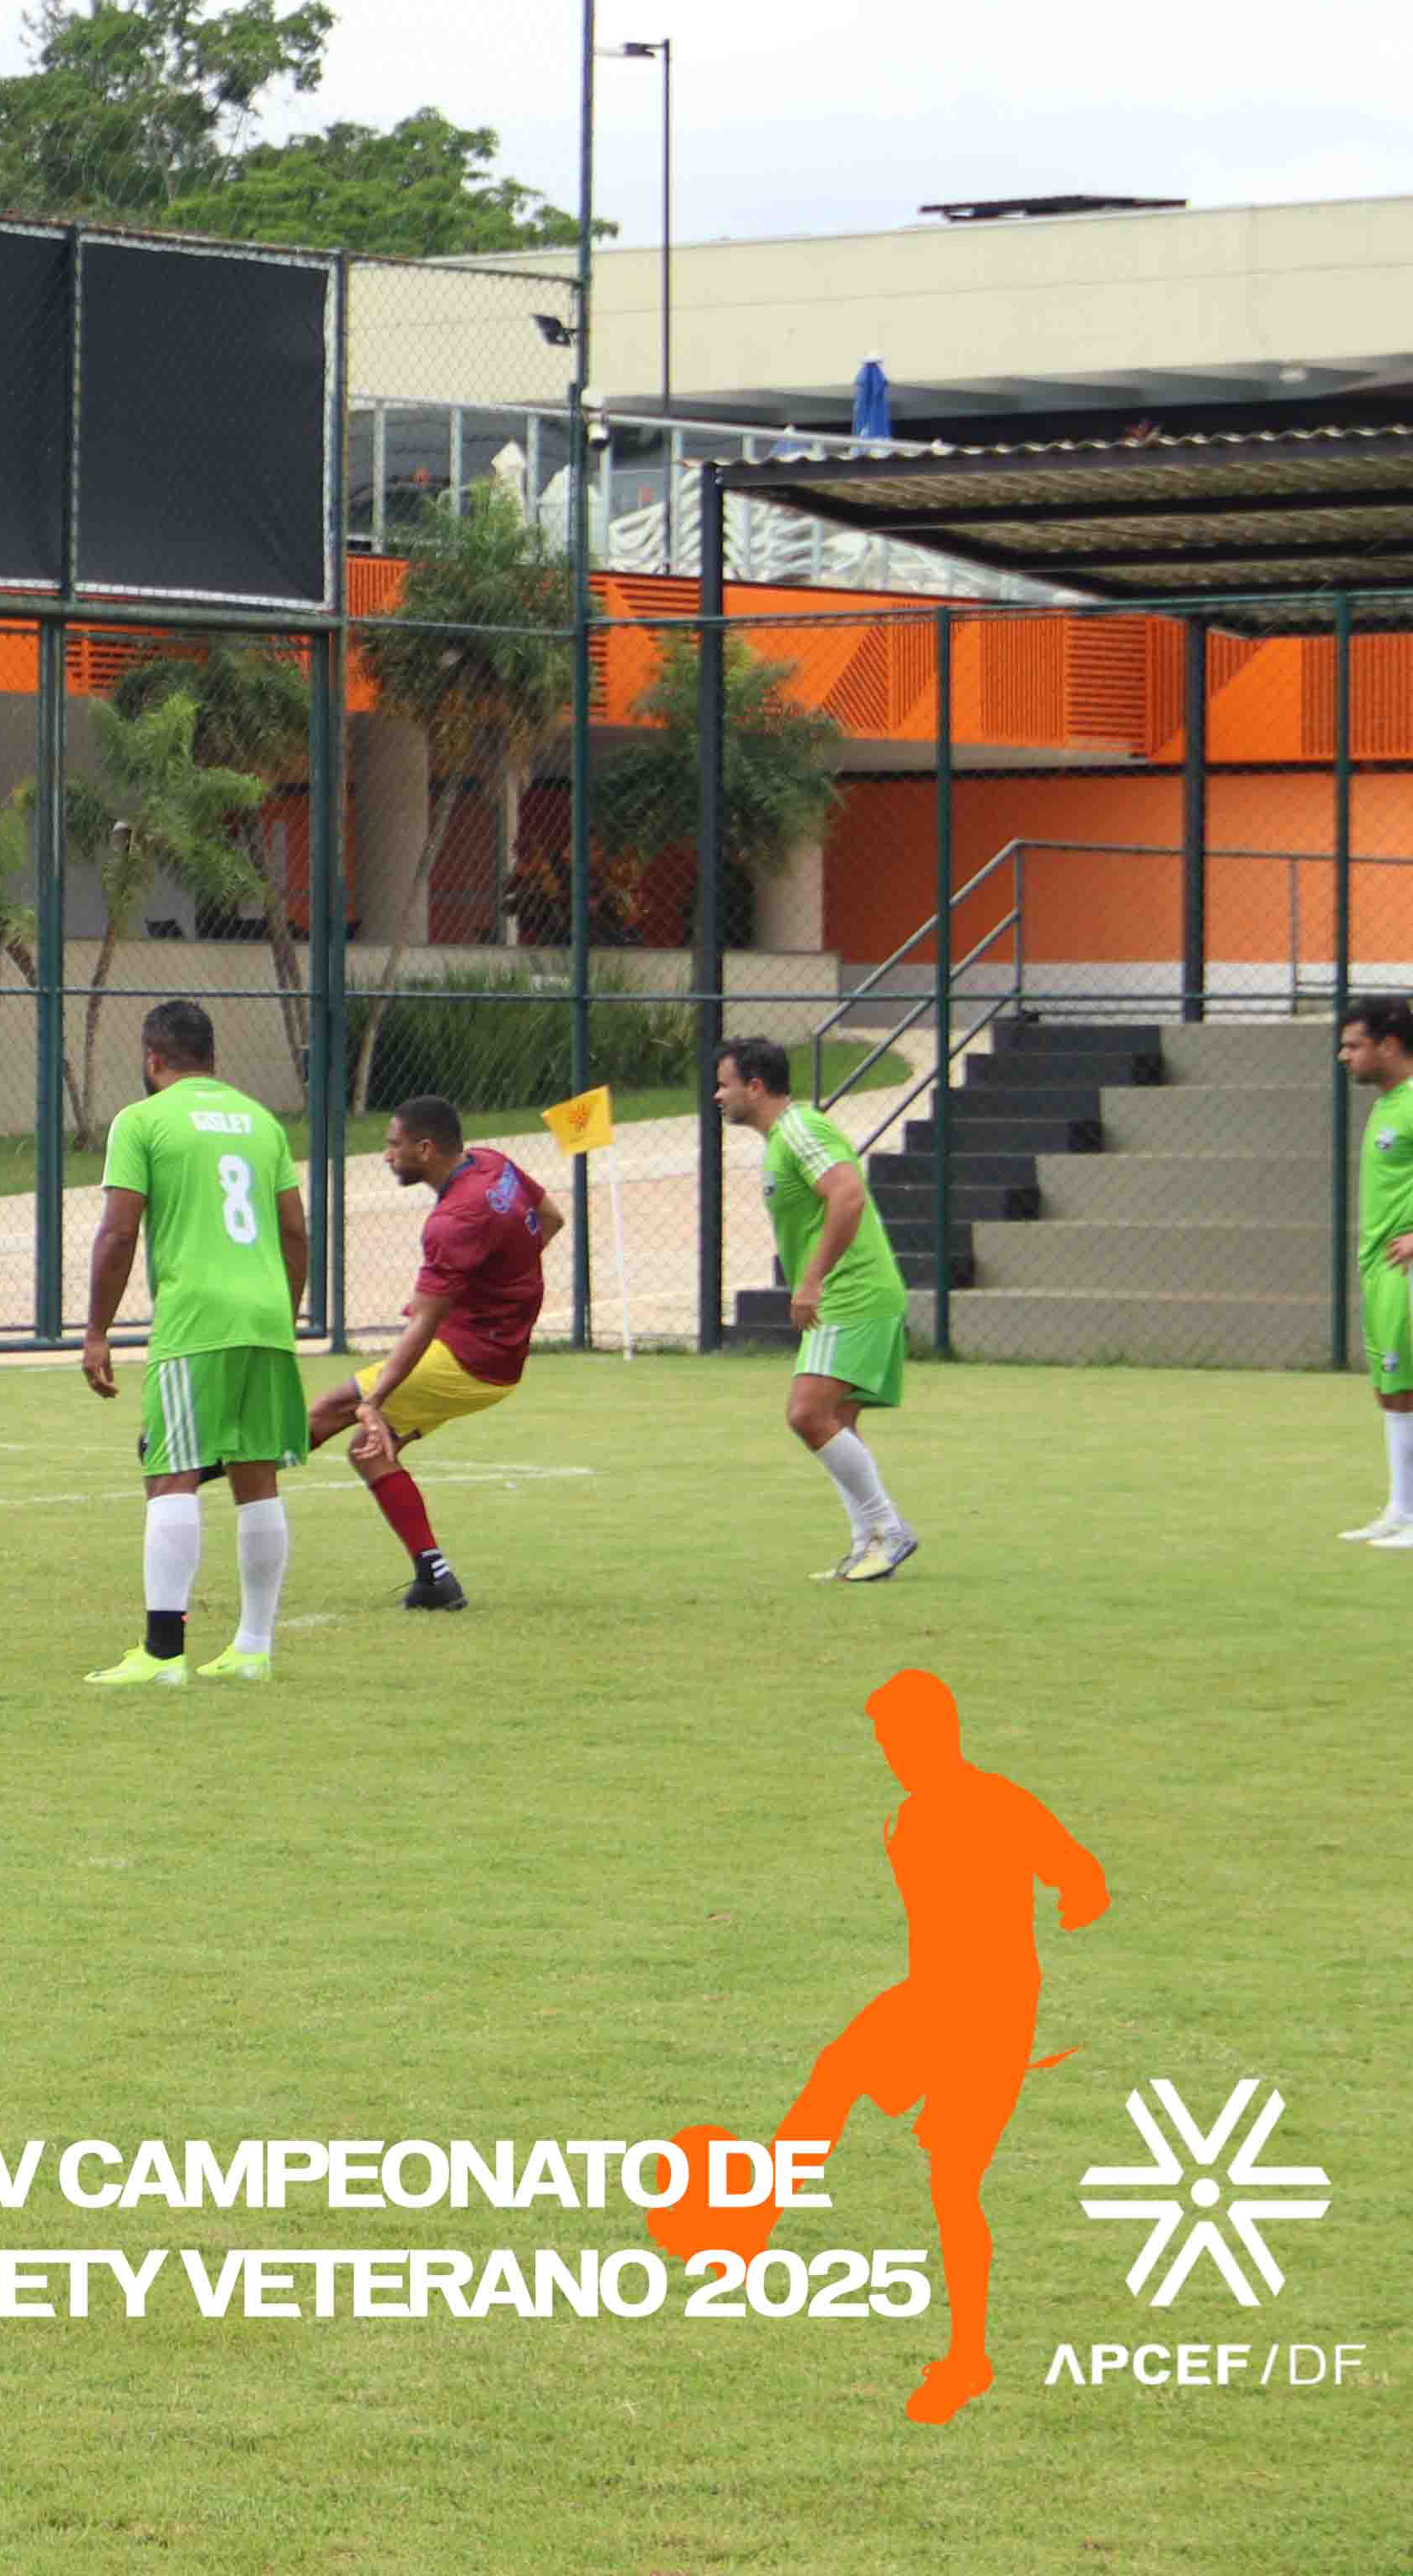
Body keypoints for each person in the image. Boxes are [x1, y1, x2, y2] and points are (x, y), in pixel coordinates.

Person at [643, 1669, 1106, 2426]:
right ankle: (751, 2231)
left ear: (940, 1735)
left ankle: (968, 2357)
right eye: (887, 1744)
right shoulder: (908, 1817)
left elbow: (1081, 1875)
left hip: (991, 2016)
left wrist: (1077, 1898)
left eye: (901, 1741)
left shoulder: (1000, 1806)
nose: (893, 1756)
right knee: (837, 2072)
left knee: (953, 2183)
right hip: (933, 2000)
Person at [78, 999, 315, 1687]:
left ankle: (162, 1654)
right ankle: (253, 1647)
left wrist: (96, 1332)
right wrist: (282, 1313)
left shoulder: (143, 1120)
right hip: (267, 1315)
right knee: (256, 1473)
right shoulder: (261, 1122)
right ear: (212, 1056)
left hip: (197, 1320)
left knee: (170, 1472)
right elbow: (294, 1232)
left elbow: (119, 1232)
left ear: (153, 1058)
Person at [304, 1095, 558, 1609]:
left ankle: (201, 1469)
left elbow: (424, 1323)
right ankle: (435, 1580)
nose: (386, 1155)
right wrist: (500, 1284)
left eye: (393, 1145)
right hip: (496, 1358)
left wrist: (374, 1400)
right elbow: (550, 1218)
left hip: (467, 1360)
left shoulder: (454, 1219)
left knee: (331, 1410)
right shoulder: (494, 1164)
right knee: (369, 1450)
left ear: (425, 1148)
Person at [714, 1036, 916, 1581]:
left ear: (756, 1087)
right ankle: (867, 1546)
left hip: (852, 1293)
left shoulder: (800, 1129)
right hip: (850, 1293)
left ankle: (891, 1530)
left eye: (724, 1085)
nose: (717, 1096)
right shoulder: (782, 1139)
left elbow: (848, 1194)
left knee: (807, 1415)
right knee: (836, 1421)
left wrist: (811, 1281)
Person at [1337, 994, 1413, 1547]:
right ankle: (1401, 1510)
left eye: (1353, 1045)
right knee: (1393, 1391)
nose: (1344, 1056)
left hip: (1405, 1267)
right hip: (1380, 1269)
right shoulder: (1389, 1103)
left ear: (1388, 1045)